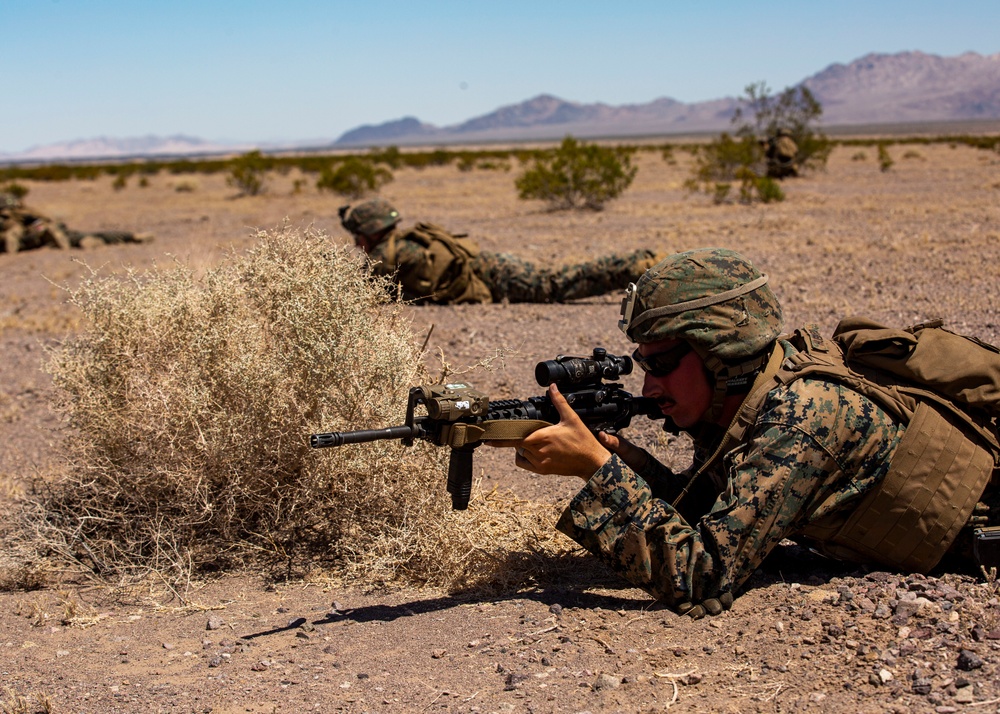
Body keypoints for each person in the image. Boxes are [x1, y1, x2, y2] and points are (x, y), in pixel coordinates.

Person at [496, 247, 998, 617]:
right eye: (643, 365)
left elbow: (704, 576)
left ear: (720, 351)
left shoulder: (798, 418)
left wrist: (596, 469)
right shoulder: (752, 392)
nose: (649, 386)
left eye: (664, 363)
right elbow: (714, 512)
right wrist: (630, 463)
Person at [339, 198, 659, 304]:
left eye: (357, 235)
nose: (356, 243)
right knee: (554, 278)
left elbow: (366, 287)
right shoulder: (401, 243)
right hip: (488, 265)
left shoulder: (393, 254)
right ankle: (636, 262)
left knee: (554, 285)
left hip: (490, 275)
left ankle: (634, 266)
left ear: (370, 230)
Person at [1, 192, 153, 254]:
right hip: (44, 230)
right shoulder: (21, 211)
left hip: (33, 235)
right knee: (81, 235)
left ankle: (81, 239)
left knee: (54, 233)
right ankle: (131, 236)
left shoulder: (11, 215)